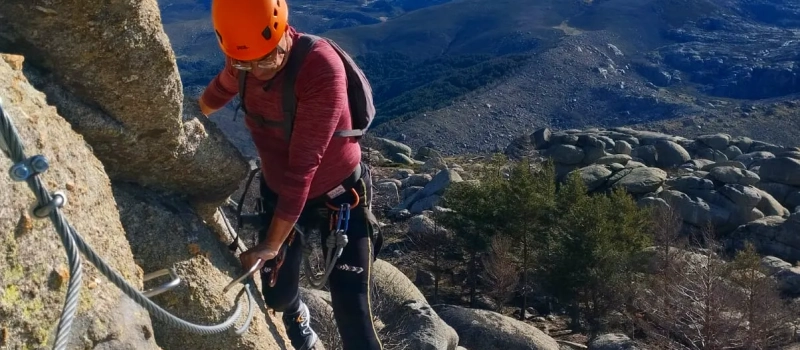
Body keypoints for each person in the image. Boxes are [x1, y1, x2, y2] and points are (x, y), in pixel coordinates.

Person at [197, 0, 384, 349]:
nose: (257, 71)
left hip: (339, 196)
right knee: (277, 296)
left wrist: (271, 245)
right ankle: (296, 312)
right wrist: (188, 119)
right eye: (245, 63)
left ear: (283, 29)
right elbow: (221, 89)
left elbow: (303, 169)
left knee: (354, 313)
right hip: (279, 190)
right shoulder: (244, 54)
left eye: (266, 59)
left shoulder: (319, 67)